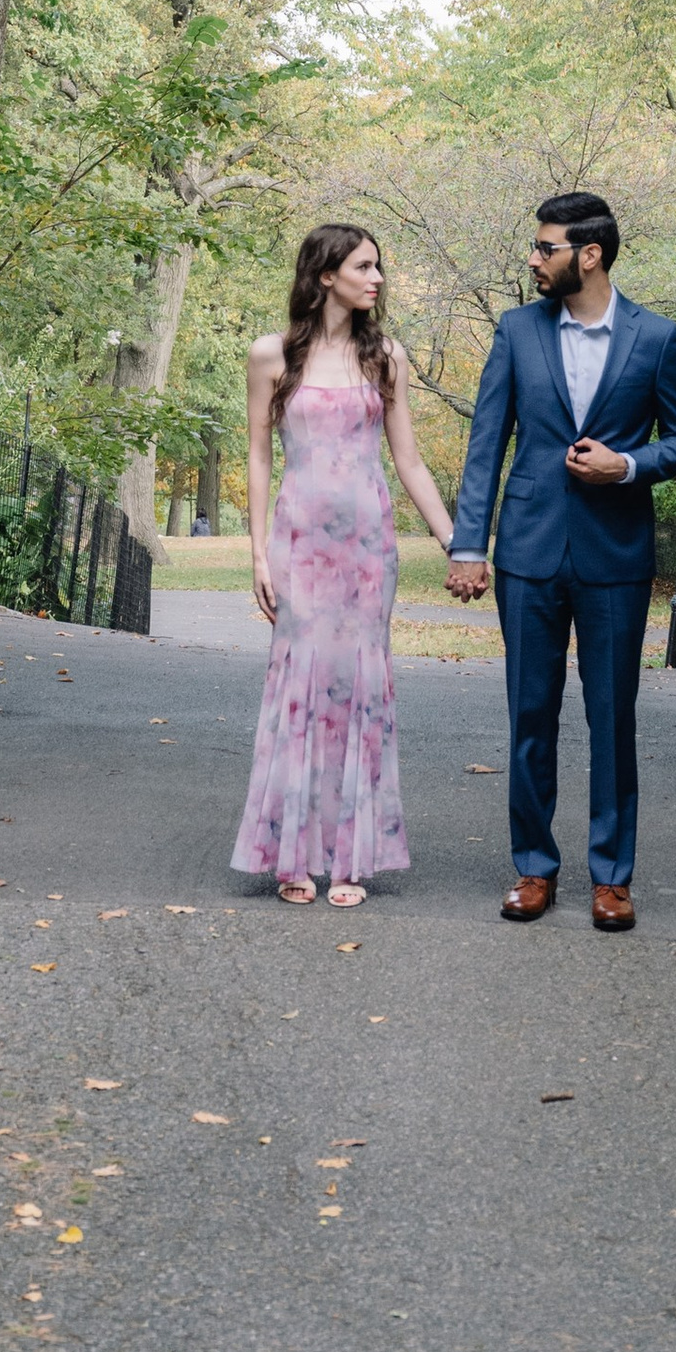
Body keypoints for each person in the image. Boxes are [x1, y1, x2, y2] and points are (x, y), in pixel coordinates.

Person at [445, 192, 676, 932]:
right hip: (527, 550)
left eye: (545, 246)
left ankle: (612, 877)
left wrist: (626, 464)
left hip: (615, 554)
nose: (533, 257)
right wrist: (470, 543)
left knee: (611, 717)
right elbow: (486, 440)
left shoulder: (656, 338)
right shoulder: (516, 330)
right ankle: (533, 866)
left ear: (588, 254)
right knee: (530, 712)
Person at [232, 223, 456, 906]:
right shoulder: (270, 355)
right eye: (366, 265)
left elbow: (409, 459)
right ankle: (292, 856)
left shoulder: (385, 355)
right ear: (326, 273)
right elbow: (259, 456)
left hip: (365, 549)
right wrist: (258, 552)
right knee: (300, 688)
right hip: (300, 545)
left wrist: (458, 540)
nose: (378, 277)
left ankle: (350, 858)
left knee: (356, 691)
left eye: (379, 266)